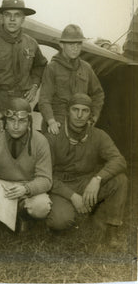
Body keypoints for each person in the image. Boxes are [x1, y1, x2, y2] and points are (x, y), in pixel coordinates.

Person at [45, 93, 127, 247]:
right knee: (60, 221)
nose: (80, 115)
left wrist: (97, 179)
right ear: (67, 111)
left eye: (85, 111)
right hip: (61, 186)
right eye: (75, 109)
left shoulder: (98, 135)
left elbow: (119, 160)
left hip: (86, 182)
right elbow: (45, 175)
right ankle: (84, 212)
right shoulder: (53, 136)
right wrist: (72, 196)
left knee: (120, 180)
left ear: (91, 114)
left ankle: (112, 231)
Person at [0, 0, 47, 148]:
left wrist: (34, 86)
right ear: (1, 18)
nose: (12, 20)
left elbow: (40, 65)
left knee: (18, 149)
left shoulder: (31, 43)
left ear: (23, 19)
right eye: (8, 15)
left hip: (19, 105)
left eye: (17, 15)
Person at [0, 98, 52, 231]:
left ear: (29, 122)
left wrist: (27, 189)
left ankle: (22, 216)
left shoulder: (40, 141)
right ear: (5, 120)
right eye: (11, 120)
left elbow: (46, 179)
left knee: (41, 207)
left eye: (22, 121)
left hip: (25, 186)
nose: (16, 126)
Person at [39, 24, 104, 135]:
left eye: (78, 44)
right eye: (71, 44)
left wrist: (93, 117)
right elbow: (44, 99)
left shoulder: (86, 67)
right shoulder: (52, 67)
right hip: (57, 121)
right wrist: (51, 121)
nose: (75, 48)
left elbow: (98, 94)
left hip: (79, 122)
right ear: (61, 44)